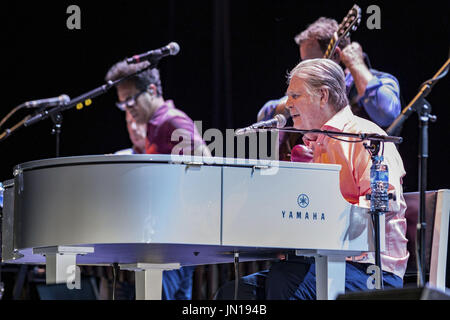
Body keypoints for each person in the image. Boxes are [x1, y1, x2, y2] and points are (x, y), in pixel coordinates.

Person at [216, 59, 408, 300]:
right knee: (234, 294)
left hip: (372, 271)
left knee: (285, 280)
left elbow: (383, 205)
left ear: (323, 96)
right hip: (317, 263)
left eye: (295, 96)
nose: (287, 104)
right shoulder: (311, 146)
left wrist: (321, 218)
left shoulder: (366, 139)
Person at [105, 59, 210, 300]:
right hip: (170, 235)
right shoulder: (154, 126)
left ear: (151, 90)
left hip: (174, 237)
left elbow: (206, 167)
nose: (128, 107)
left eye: (131, 99)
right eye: (122, 104)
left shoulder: (171, 121)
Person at [258, 17, 402, 160]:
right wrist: (294, 102)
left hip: (362, 169)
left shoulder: (382, 80)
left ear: (335, 55)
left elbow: (386, 115)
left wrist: (356, 64)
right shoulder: (306, 90)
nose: (304, 68)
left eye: (310, 62)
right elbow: (264, 115)